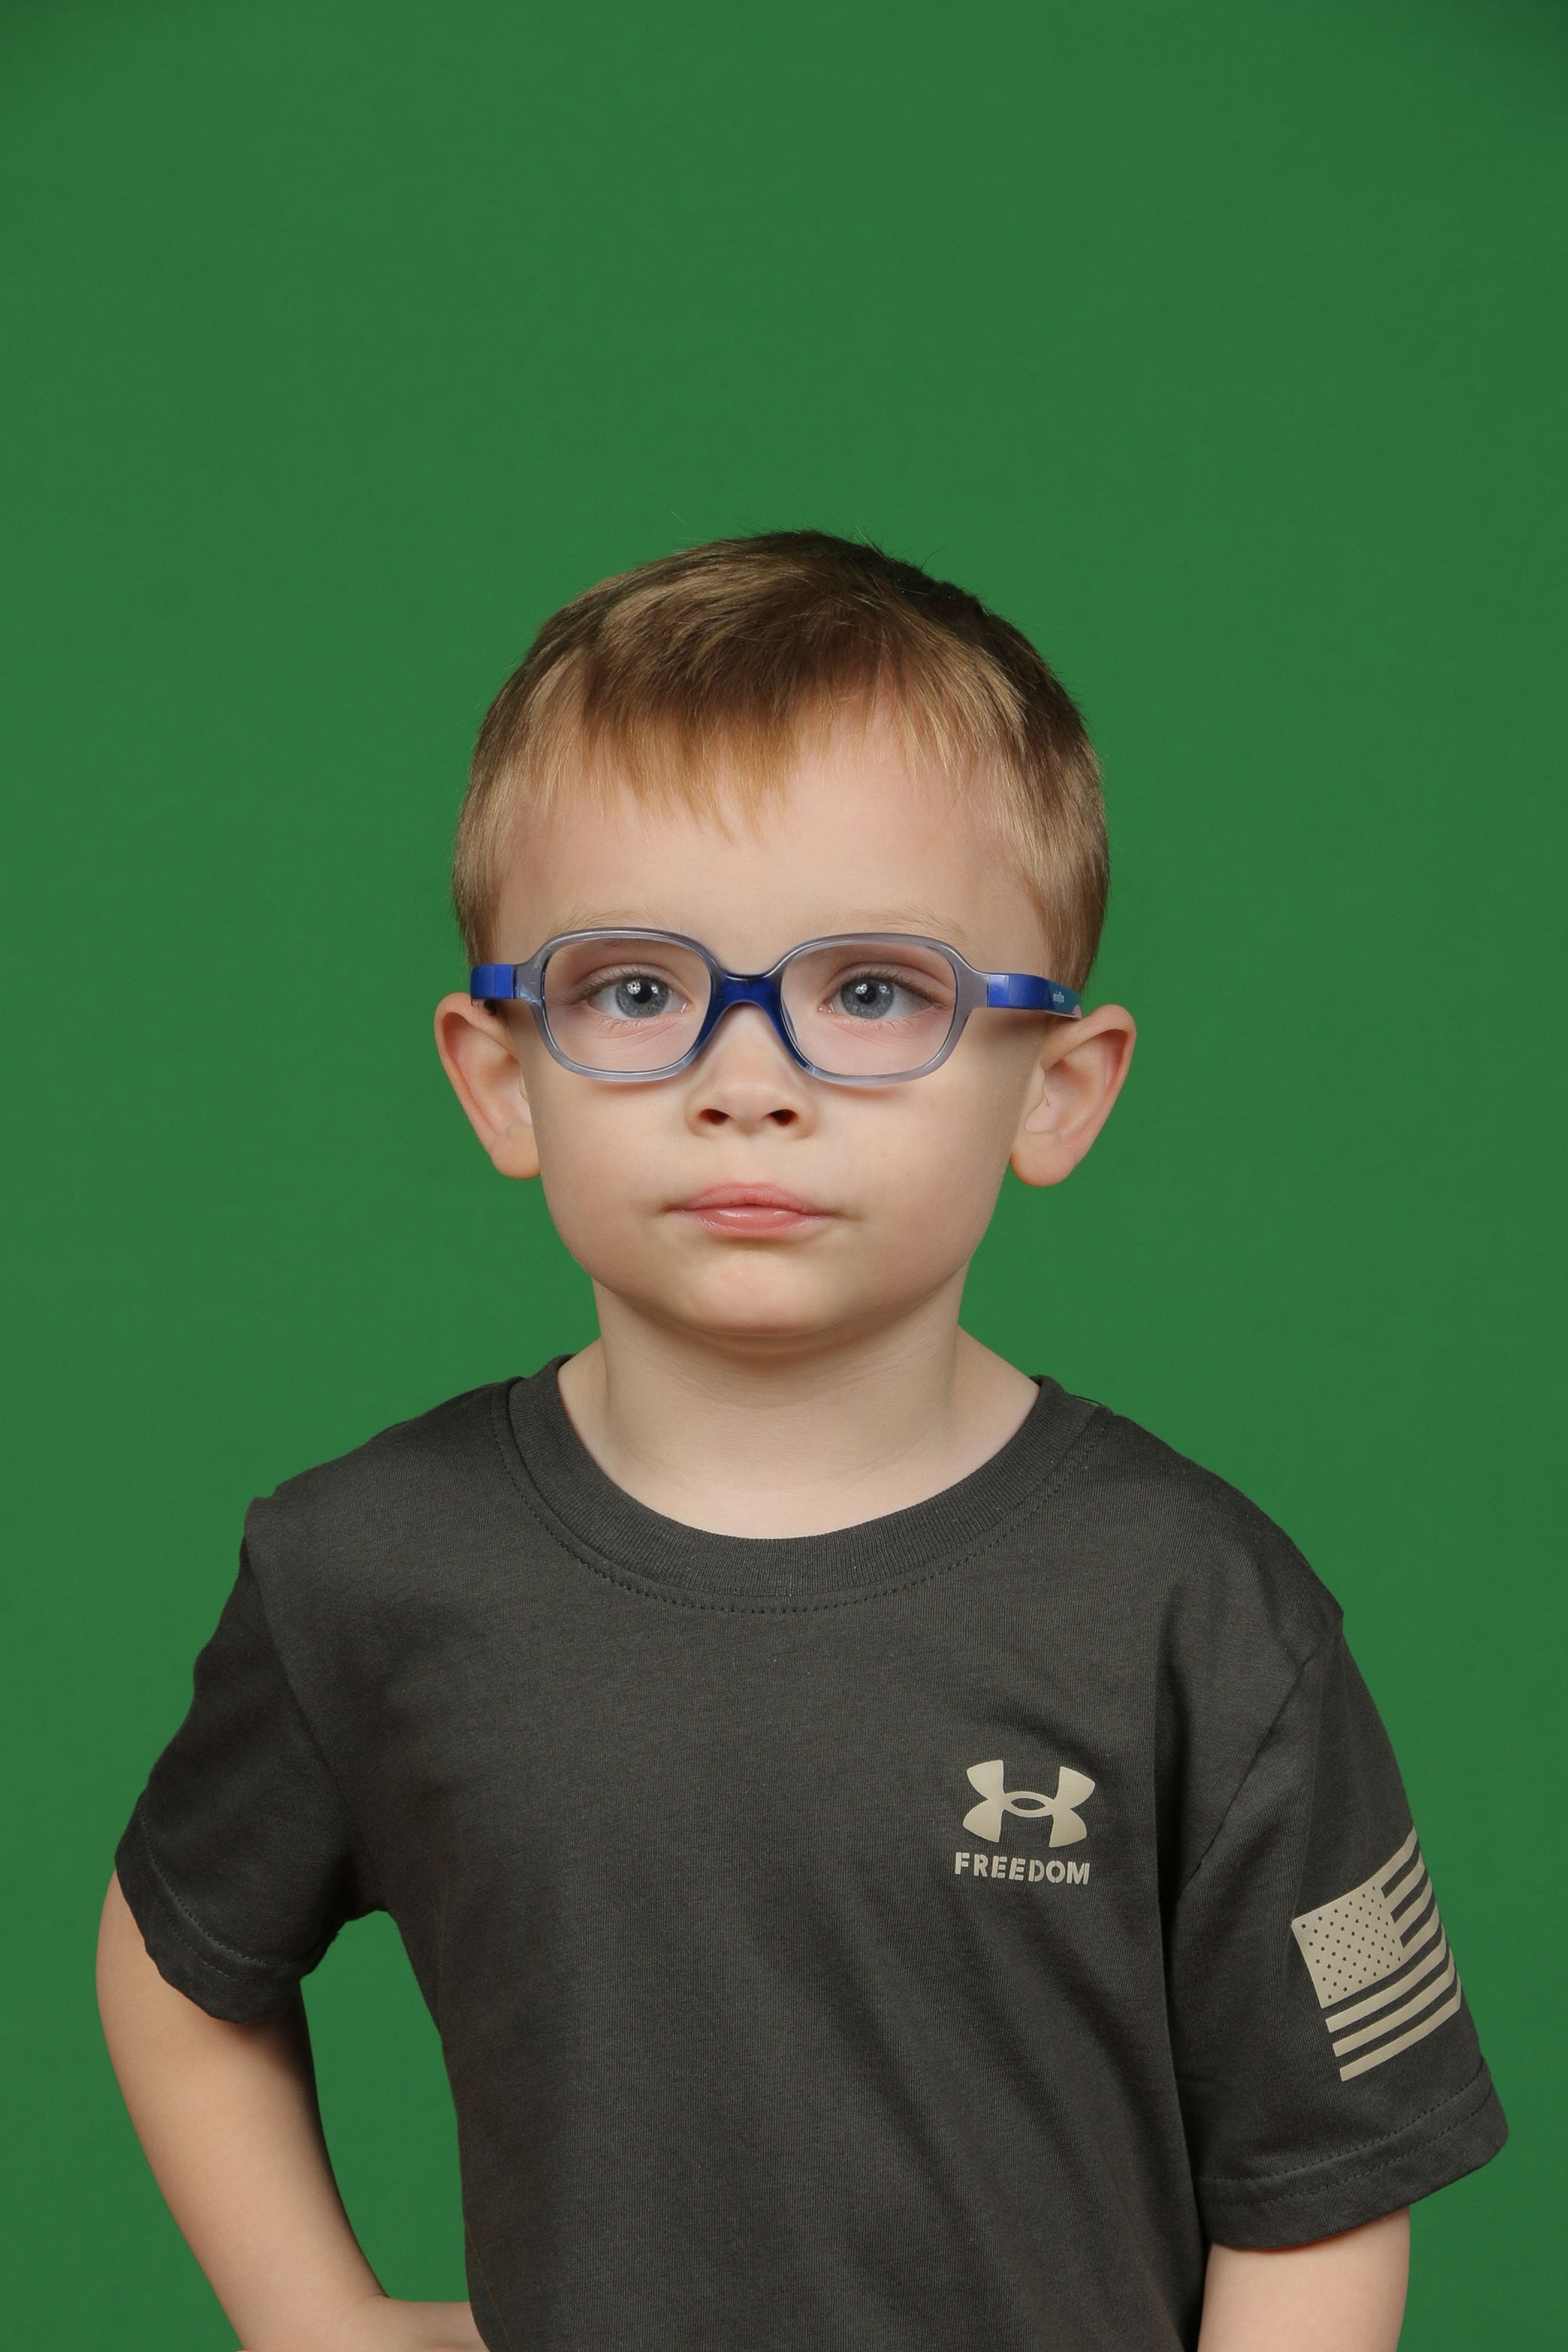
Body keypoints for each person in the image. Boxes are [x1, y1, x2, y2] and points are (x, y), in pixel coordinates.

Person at [97, 533, 1505, 2352]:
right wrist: (322, 2325)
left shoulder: (1206, 1615)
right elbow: (176, 1957)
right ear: (502, 1077)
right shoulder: (364, 1572)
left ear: (1056, 1089)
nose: (746, 1080)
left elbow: (1325, 2189)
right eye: (634, 990)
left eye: (870, 992)